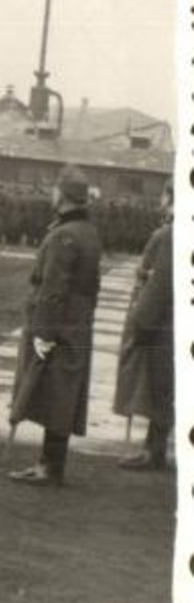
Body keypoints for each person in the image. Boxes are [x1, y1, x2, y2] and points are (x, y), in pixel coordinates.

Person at [7, 166, 103, 486]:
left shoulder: (64, 234)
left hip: (58, 323)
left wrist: (43, 333)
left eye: (55, 190)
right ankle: (51, 463)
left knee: (55, 392)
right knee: (63, 394)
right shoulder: (87, 231)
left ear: (62, 195)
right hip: (77, 321)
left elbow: (53, 287)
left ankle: (49, 466)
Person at [113, 180, 174, 471]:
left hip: (165, 323)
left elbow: (159, 284)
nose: (161, 199)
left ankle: (154, 451)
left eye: (165, 194)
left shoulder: (169, 235)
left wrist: (140, 323)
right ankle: (154, 447)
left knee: (161, 385)